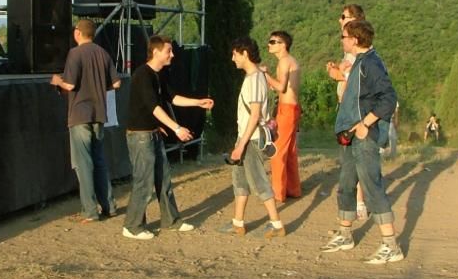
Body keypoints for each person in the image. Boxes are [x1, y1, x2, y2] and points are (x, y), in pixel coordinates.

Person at [321, 20, 404, 264]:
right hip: (350, 135)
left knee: (372, 186)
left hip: (365, 136)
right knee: (346, 183)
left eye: (343, 36)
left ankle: (391, 246)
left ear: (355, 40)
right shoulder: (358, 62)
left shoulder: (371, 63)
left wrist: (365, 124)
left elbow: (388, 98)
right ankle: (345, 234)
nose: (341, 40)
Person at [121, 35, 214, 240]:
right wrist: (176, 128)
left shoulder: (159, 74)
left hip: (153, 133)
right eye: (168, 51)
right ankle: (132, 226)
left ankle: (171, 221)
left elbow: (172, 98)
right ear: (156, 52)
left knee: (163, 179)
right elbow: (154, 107)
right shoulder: (142, 75)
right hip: (140, 136)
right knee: (144, 181)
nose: (172, 55)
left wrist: (198, 102)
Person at [51, 19, 121, 223]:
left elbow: (70, 85)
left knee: (83, 163)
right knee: (99, 161)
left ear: (78, 33)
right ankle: (109, 206)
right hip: (99, 114)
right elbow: (117, 83)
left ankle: (90, 211)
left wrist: (56, 81)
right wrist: (99, 88)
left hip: (79, 114)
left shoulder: (75, 54)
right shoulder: (103, 53)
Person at [219, 36, 285, 239]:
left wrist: (241, 145)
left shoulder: (255, 79)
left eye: (235, 54)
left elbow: (255, 115)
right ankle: (238, 223)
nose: (233, 59)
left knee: (258, 181)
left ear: (245, 53)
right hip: (246, 137)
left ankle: (276, 224)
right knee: (240, 180)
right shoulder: (253, 77)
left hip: (251, 139)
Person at [325, 4, 371, 219]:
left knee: (354, 159)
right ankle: (358, 202)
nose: (340, 20)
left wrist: (335, 73)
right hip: (348, 108)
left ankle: (358, 204)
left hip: (353, 111)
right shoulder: (350, 50)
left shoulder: (358, 51)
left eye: (343, 17)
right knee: (351, 158)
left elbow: (353, 77)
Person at [262, 30, 301, 203]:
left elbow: (281, 87)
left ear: (282, 44)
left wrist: (264, 74)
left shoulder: (285, 61)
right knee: (290, 150)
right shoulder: (290, 60)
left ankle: (278, 193)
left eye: (273, 42)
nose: (269, 45)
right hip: (292, 107)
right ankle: (293, 189)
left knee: (278, 150)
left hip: (287, 109)